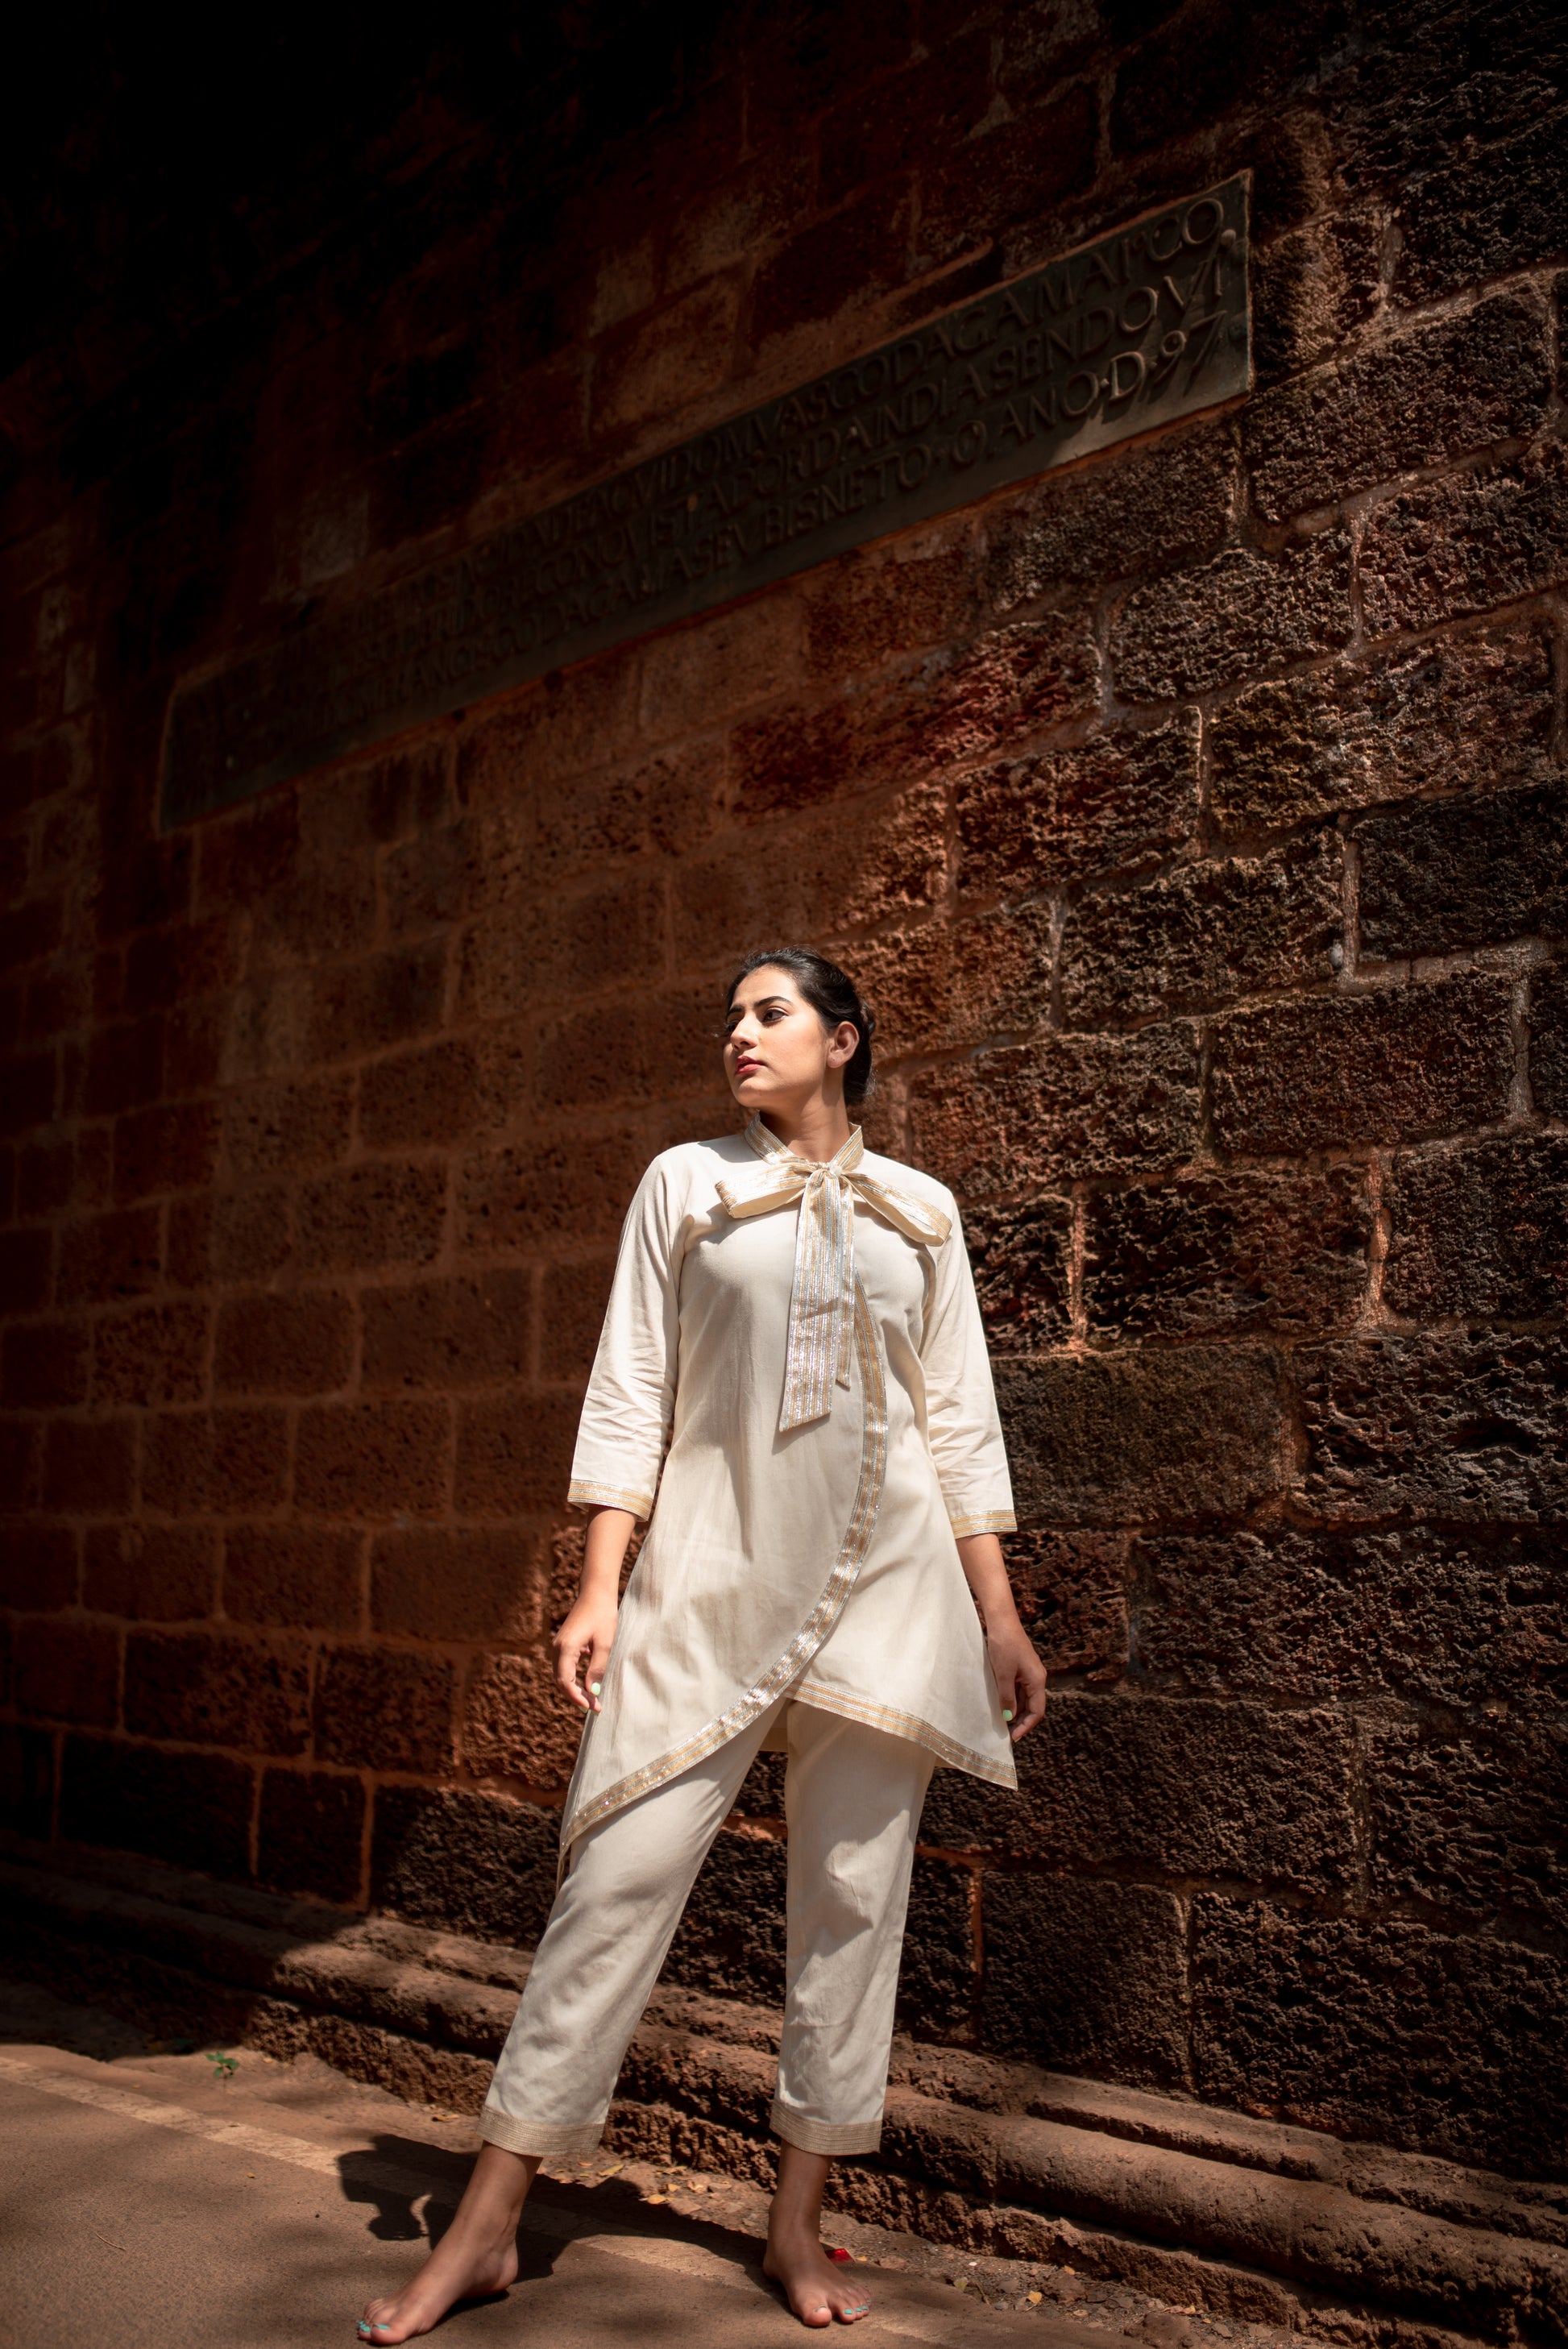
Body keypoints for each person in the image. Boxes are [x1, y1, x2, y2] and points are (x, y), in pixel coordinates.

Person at [359, 948, 1046, 2339]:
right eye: (729, 1016)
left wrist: (999, 1613)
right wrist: (598, 1584)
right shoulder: (685, 1183)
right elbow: (632, 1387)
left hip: (893, 1593)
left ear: (841, 1040)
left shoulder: (922, 1210)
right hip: (709, 1581)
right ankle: (484, 2227)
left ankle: (794, 2227)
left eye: (769, 1012)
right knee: (612, 1885)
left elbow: (957, 1419)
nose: (738, 1033)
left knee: (852, 1910)